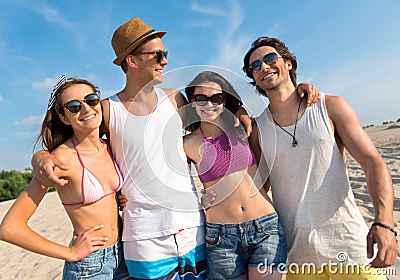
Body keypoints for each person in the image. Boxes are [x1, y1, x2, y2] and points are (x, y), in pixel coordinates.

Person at [30, 18, 318, 279]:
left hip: (196, 229)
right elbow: (82, 140)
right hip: (143, 237)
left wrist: (242, 110)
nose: (165, 61)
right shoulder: (108, 108)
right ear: (131, 60)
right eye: (158, 54)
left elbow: (213, 111)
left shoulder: (175, 99)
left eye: (165, 54)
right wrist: (41, 156)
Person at [240, 37, 397, 279]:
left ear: (289, 63)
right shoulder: (258, 130)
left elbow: (371, 161)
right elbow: (257, 189)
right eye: (255, 65)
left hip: (350, 249)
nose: (263, 67)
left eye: (270, 58)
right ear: (253, 78)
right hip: (297, 259)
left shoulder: (330, 106)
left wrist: (385, 222)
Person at [0, 76, 129, 279]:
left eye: (91, 99)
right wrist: (70, 253)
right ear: (64, 117)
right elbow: (9, 228)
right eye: (74, 106)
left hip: (124, 254)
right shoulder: (61, 160)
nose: (86, 109)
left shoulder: (111, 145)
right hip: (90, 266)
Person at [183, 70, 287, 280]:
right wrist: (197, 200)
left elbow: (263, 168)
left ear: (225, 100)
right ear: (192, 102)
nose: (209, 104)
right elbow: (175, 184)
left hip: (265, 228)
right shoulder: (187, 144)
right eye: (201, 98)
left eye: (216, 98)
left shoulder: (244, 129)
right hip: (221, 238)